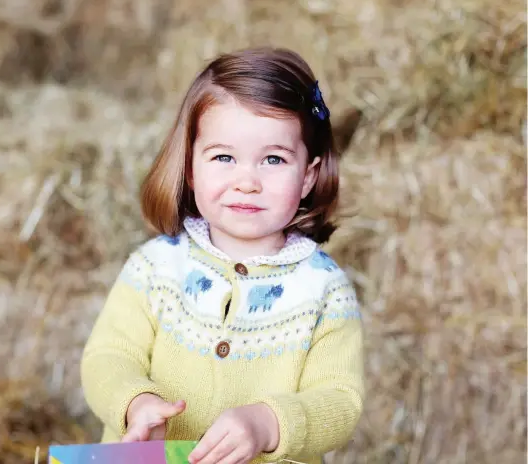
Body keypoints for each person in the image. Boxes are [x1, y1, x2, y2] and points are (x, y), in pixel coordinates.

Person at [80, 47, 365, 464]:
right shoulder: (156, 268)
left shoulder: (324, 290)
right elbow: (108, 356)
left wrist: (268, 423)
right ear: (191, 168)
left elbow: (341, 400)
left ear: (307, 176)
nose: (247, 181)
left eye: (273, 159)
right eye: (224, 157)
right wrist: (135, 402)